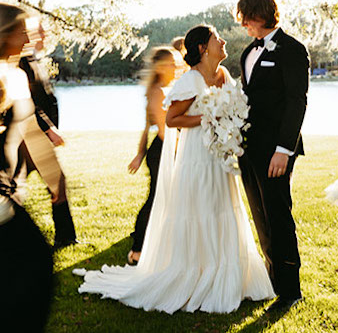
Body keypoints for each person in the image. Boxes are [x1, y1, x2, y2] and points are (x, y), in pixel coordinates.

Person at [76, 25, 275, 314]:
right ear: (202, 49)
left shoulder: (223, 75)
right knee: (200, 211)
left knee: (222, 208)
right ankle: (195, 276)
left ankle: (226, 275)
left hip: (219, 156)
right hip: (197, 157)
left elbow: (231, 109)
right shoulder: (190, 81)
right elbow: (172, 120)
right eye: (216, 38)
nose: (222, 41)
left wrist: (228, 122)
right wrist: (209, 118)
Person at [0, 4, 53, 332]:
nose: (29, 37)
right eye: (22, 31)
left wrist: (47, 177)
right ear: (5, 34)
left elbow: (24, 131)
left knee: (6, 265)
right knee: (38, 257)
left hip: (10, 179)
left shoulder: (16, 73)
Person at [235, 0, 309, 313]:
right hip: (248, 150)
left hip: (277, 151)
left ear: (261, 14)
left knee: (278, 215)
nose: (243, 24)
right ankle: (272, 279)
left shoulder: (292, 50)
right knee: (260, 216)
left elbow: (297, 102)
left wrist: (284, 149)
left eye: (246, 17)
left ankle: (291, 288)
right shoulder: (247, 53)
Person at [16, 18, 77, 248]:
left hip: (37, 137)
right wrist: (48, 129)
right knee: (48, 183)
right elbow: (30, 102)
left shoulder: (35, 60)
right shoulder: (22, 63)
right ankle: (65, 236)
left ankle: (65, 236)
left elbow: (46, 97)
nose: (44, 35)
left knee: (27, 186)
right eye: (40, 31)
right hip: (29, 137)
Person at [126, 46, 182, 265]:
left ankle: (161, 247)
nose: (175, 67)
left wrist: (139, 153)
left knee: (169, 200)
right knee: (155, 198)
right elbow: (162, 129)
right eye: (170, 63)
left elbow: (146, 127)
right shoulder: (157, 91)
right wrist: (184, 150)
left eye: (176, 63)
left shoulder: (166, 88)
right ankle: (137, 250)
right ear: (159, 67)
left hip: (165, 148)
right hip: (163, 151)